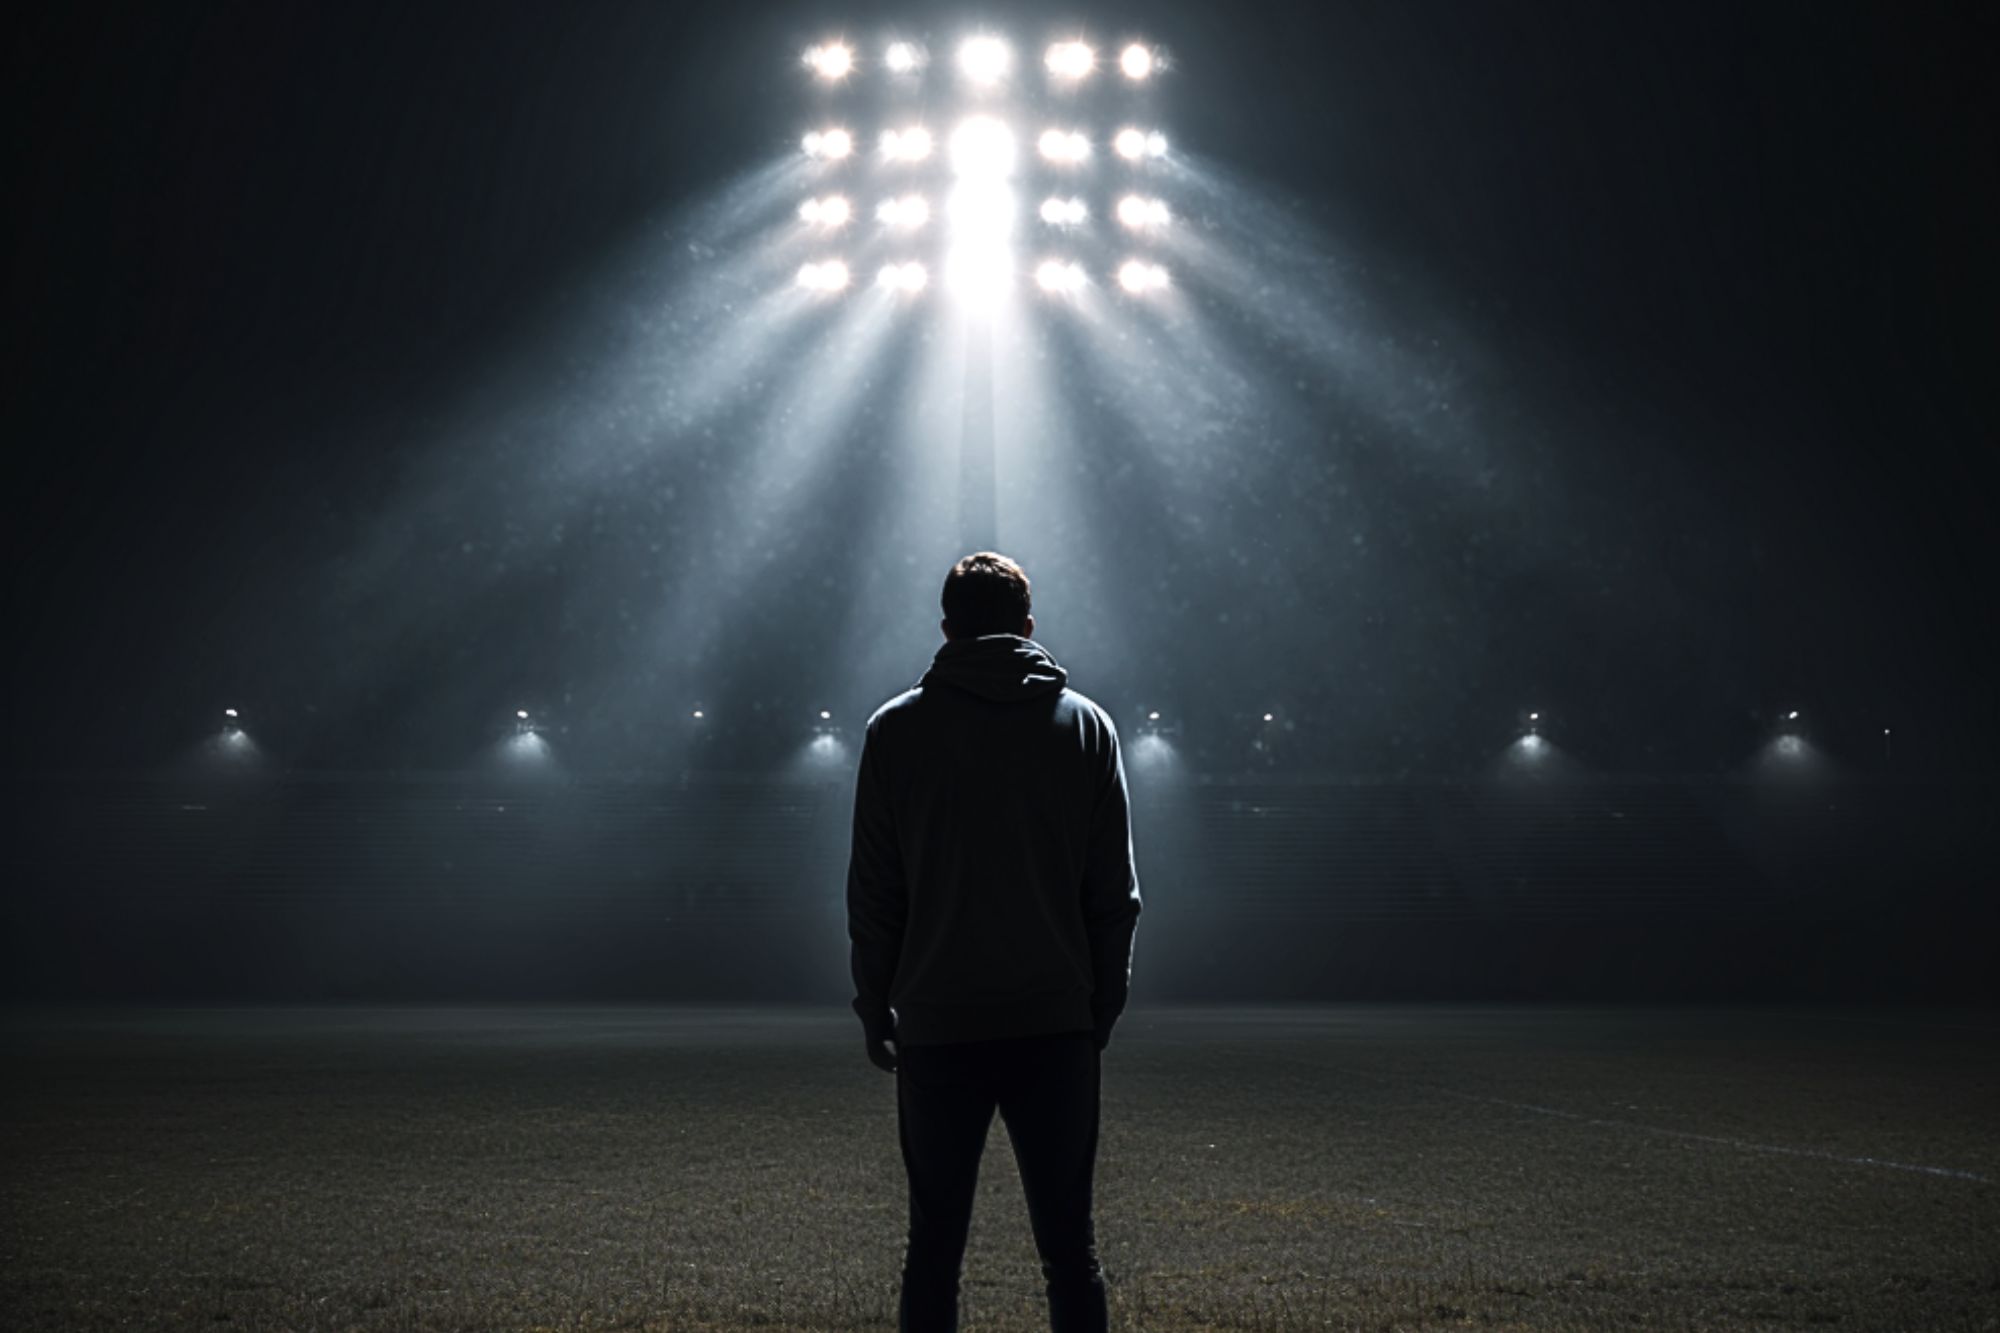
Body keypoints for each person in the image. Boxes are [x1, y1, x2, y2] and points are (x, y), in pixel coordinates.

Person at [847, 551, 1143, 1333]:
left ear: (946, 628)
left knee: (933, 1252)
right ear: (1028, 626)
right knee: (1069, 1252)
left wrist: (873, 1001)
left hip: (940, 1024)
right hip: (1054, 1024)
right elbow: (1113, 895)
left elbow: (876, 895)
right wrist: (1099, 1005)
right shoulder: (1085, 726)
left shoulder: (894, 731)